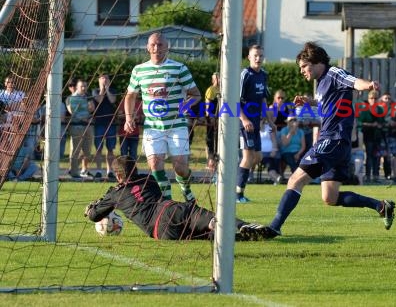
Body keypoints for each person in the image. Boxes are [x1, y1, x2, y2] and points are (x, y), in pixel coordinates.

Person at [264, 41, 396, 239]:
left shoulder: (334, 72)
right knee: (330, 197)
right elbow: (328, 105)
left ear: (316, 62)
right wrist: (311, 102)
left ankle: (274, 226)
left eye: (304, 67)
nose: (302, 71)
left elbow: (352, 81)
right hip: (338, 144)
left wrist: (368, 85)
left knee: (295, 179)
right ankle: (380, 206)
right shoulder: (322, 83)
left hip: (332, 140)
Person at [84, 156, 270, 241]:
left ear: (118, 176)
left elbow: (93, 215)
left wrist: (90, 209)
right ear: (136, 169)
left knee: (203, 236)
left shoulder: (114, 193)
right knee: (209, 218)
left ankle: (242, 239)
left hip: (160, 233)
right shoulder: (148, 180)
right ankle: (243, 226)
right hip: (171, 210)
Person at [123, 33, 202, 202]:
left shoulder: (179, 68)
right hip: (152, 127)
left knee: (180, 167)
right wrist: (129, 118)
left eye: (160, 45)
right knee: (154, 164)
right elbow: (130, 96)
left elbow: (196, 95)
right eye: (153, 44)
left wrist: (184, 107)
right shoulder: (139, 70)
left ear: (167, 47)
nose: (156, 48)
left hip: (176, 125)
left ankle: (186, 189)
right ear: (147, 47)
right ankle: (167, 201)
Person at [236, 44, 271, 203]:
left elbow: (263, 99)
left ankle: (232, 175)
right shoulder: (245, 75)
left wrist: (270, 120)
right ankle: (238, 194)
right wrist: (244, 119)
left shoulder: (263, 75)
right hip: (245, 123)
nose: (258, 58)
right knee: (248, 157)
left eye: (261, 56)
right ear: (249, 57)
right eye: (255, 55)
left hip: (256, 123)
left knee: (257, 157)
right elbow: (235, 101)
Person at [65, 79, 95, 180]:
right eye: (82, 86)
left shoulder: (88, 97)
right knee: (75, 150)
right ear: (77, 87)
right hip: (77, 127)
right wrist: (84, 118)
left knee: (87, 152)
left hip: (88, 127)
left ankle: (80, 169)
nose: (84, 88)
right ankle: (74, 172)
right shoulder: (71, 98)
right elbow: (73, 112)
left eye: (85, 86)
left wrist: (90, 106)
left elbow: (92, 109)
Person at [92, 73, 118, 181]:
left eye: (106, 78)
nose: (105, 80)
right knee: (98, 148)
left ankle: (109, 171)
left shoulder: (113, 91)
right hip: (99, 123)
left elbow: (112, 100)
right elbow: (99, 100)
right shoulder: (95, 91)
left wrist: (107, 88)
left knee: (110, 149)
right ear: (99, 80)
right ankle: (98, 170)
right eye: (103, 78)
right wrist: (102, 89)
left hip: (111, 123)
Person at [357, 90, 382, 183]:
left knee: (377, 156)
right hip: (368, 135)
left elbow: (382, 122)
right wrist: (370, 124)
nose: (374, 100)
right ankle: (367, 175)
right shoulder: (365, 110)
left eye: (375, 98)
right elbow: (360, 122)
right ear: (368, 99)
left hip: (377, 136)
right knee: (369, 156)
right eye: (372, 98)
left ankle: (376, 176)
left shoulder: (380, 110)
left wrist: (380, 125)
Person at [117, 94, 143, 161]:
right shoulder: (124, 102)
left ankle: (133, 170)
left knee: (133, 154)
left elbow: (143, 116)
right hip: (123, 133)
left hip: (135, 132)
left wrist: (138, 117)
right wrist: (129, 117)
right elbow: (119, 116)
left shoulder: (140, 103)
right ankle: (124, 170)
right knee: (123, 154)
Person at [204, 72, 220, 172]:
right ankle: (211, 164)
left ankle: (217, 165)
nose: (218, 80)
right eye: (216, 78)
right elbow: (208, 106)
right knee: (211, 142)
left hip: (220, 119)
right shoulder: (211, 90)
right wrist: (211, 117)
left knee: (218, 142)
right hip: (212, 119)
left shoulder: (222, 90)